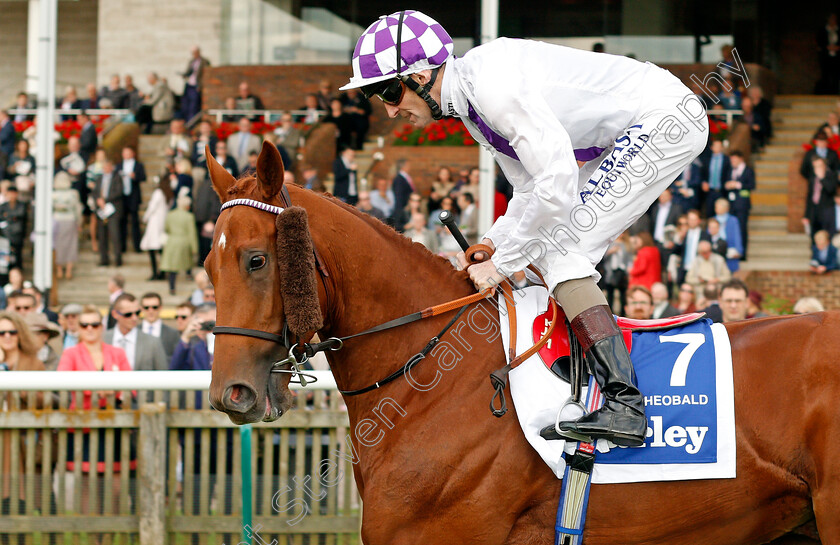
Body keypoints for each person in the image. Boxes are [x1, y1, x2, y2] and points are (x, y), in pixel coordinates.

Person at [343, 10, 708, 445]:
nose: (388, 109)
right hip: (641, 121)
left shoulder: (491, 89)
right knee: (547, 245)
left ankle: (625, 406)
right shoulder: (473, 104)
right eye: (376, 96)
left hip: (663, 117)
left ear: (421, 74)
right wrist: (494, 245)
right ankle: (582, 383)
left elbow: (555, 186)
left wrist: (504, 264)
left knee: (560, 247)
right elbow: (530, 190)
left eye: (388, 90)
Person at [56, 305, 133, 516]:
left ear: (102, 326)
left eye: (95, 324)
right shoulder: (70, 353)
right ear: (79, 328)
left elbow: (132, 385)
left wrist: (112, 391)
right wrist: (97, 390)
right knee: (87, 484)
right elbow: (62, 380)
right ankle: (92, 535)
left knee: (116, 485)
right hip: (84, 426)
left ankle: (111, 531)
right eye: (84, 324)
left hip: (114, 424)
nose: (90, 328)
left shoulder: (116, 352)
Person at [0, 311, 47, 524]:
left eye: (12, 332)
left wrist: (23, 391)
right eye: (1, 333)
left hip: (23, 438)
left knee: (21, 494)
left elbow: (46, 400)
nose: (7, 337)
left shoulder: (33, 362)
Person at [104, 293, 168, 371]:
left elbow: (163, 375)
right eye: (128, 314)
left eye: (137, 313)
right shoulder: (102, 339)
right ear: (115, 314)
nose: (134, 318)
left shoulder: (153, 342)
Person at [160, 195, 198, 295]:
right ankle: (189, 275)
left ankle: (172, 287)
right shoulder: (189, 216)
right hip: (184, 241)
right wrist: (194, 248)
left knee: (172, 267)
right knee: (187, 261)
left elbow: (166, 228)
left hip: (172, 241)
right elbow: (192, 233)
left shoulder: (170, 214)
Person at [139, 174, 173, 280]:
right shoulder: (169, 194)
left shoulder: (158, 193)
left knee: (152, 248)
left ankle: (155, 273)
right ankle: (163, 271)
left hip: (154, 224)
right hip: (163, 222)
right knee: (161, 249)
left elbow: (151, 207)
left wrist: (145, 218)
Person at [92, 159, 124, 267]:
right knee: (102, 235)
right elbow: (95, 192)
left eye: (108, 166)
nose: (106, 169)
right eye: (104, 167)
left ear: (111, 167)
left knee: (115, 235)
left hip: (113, 209)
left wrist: (105, 200)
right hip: (102, 210)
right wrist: (99, 201)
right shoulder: (99, 178)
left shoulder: (117, 178)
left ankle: (118, 258)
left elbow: (119, 192)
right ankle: (104, 259)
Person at [724, 151, 754, 258]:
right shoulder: (730, 170)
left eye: (734, 159)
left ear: (740, 159)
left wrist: (737, 185)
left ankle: (742, 252)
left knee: (742, 228)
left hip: (742, 205)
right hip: (731, 204)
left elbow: (752, 185)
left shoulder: (748, 170)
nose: (733, 162)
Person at [52, 172, 82, 280]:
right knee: (69, 245)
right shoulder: (73, 193)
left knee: (60, 245)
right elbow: (77, 209)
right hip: (68, 220)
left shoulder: (53, 194)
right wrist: (79, 222)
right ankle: (66, 270)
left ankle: (61, 270)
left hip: (59, 220)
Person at [117, 146, 146, 253]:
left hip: (133, 197)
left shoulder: (138, 165)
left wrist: (135, 176)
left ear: (132, 153)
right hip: (122, 197)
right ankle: (122, 246)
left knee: (135, 223)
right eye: (124, 152)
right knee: (122, 222)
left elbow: (143, 177)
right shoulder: (119, 166)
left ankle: (137, 246)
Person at [140, 292, 180, 362]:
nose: (150, 311)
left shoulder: (173, 334)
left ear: (161, 307)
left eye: (155, 307)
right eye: (146, 308)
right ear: (141, 308)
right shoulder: (134, 331)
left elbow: (176, 359)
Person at [804, 157, 837, 237]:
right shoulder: (812, 177)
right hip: (814, 210)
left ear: (824, 165)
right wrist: (806, 215)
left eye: (819, 166)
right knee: (814, 235)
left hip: (827, 209)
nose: (817, 169)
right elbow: (810, 196)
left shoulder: (831, 175)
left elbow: (831, 189)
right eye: (815, 166)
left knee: (827, 235)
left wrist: (822, 178)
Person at [701, 140, 731, 218]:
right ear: (712, 147)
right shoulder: (707, 159)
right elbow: (703, 173)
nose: (718, 148)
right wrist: (703, 182)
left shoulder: (726, 160)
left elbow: (728, 174)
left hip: (721, 191)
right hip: (709, 191)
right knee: (709, 213)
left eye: (719, 146)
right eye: (716, 146)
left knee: (722, 213)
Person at [180, 46, 210, 122]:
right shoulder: (191, 61)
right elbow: (189, 72)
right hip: (189, 84)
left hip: (196, 86)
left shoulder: (204, 61)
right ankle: (187, 121)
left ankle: (192, 122)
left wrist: (201, 86)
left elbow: (207, 74)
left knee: (193, 106)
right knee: (186, 105)